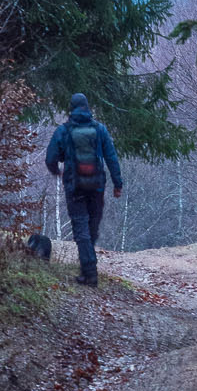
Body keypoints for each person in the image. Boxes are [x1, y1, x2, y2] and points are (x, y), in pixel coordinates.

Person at [44, 93, 122, 287]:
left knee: (81, 229)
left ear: (71, 108)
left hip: (74, 187)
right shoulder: (100, 129)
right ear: (88, 108)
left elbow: (50, 158)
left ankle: (89, 272)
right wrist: (117, 184)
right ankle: (89, 268)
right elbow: (112, 158)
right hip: (97, 187)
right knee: (91, 229)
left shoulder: (64, 130)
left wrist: (58, 171)